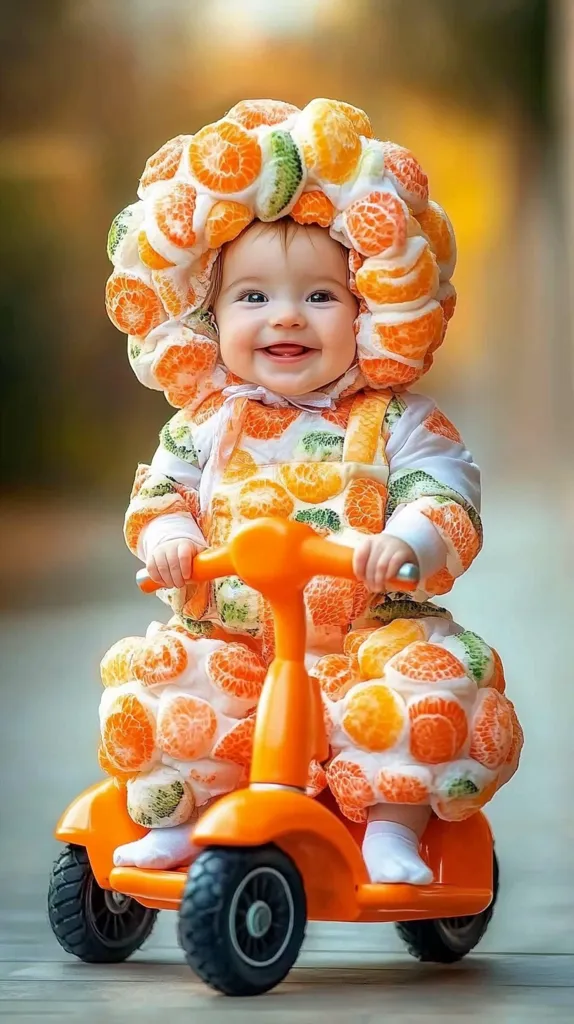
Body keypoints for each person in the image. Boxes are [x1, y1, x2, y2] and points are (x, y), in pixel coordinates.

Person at [100, 97, 523, 882]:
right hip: (238, 637)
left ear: (370, 310)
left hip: (361, 632)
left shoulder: (394, 419)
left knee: (423, 687)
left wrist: (410, 537)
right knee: (169, 684)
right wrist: (170, 539)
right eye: (252, 297)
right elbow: (164, 488)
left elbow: (444, 485)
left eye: (320, 297)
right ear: (206, 314)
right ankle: (185, 815)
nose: (285, 318)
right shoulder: (207, 423)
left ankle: (396, 826)